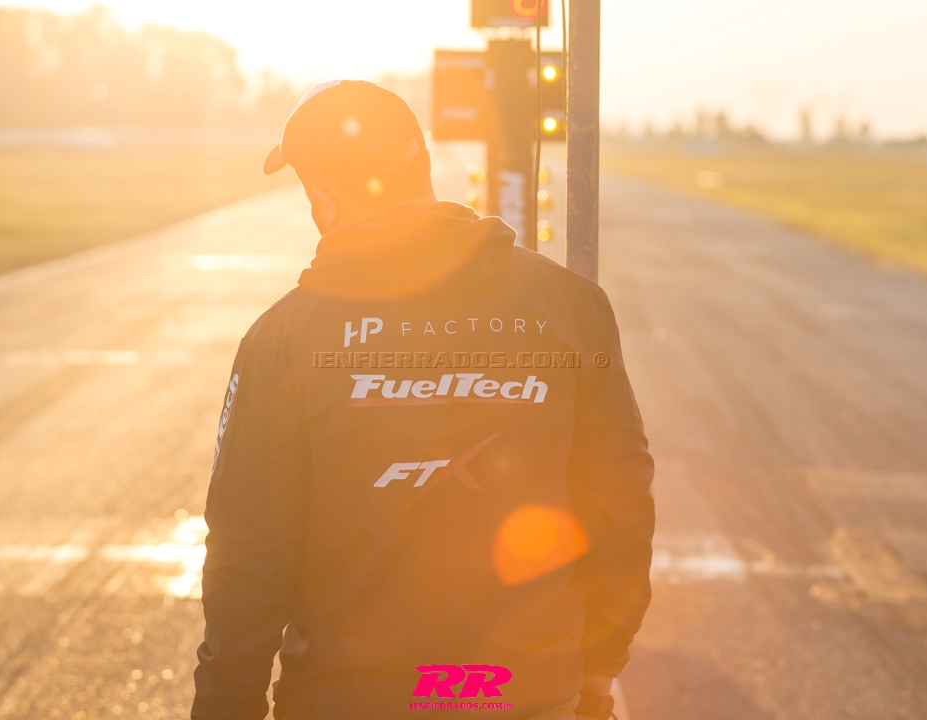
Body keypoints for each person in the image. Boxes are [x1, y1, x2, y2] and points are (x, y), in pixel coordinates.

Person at [191, 80, 655, 720]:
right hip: (529, 695)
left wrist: (225, 706)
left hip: (347, 700)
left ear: (324, 200)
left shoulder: (284, 337)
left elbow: (250, 553)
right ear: (421, 166)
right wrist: (599, 670)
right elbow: (619, 500)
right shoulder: (573, 307)